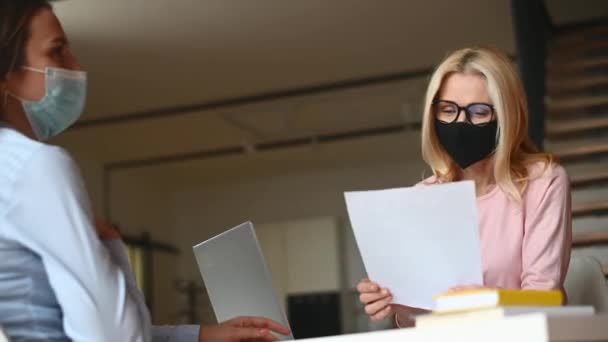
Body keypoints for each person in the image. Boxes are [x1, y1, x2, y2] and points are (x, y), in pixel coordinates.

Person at [0, 1, 290, 341]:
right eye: (58, 51)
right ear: (6, 74)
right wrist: (111, 249)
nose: (76, 66)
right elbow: (114, 337)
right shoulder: (34, 166)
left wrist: (201, 336)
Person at [357, 47, 572, 327]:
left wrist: (486, 300)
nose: (460, 123)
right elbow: (418, 318)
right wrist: (393, 300)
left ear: (506, 115)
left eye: (479, 111)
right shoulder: (424, 195)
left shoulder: (544, 181)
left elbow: (544, 296)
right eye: (448, 110)